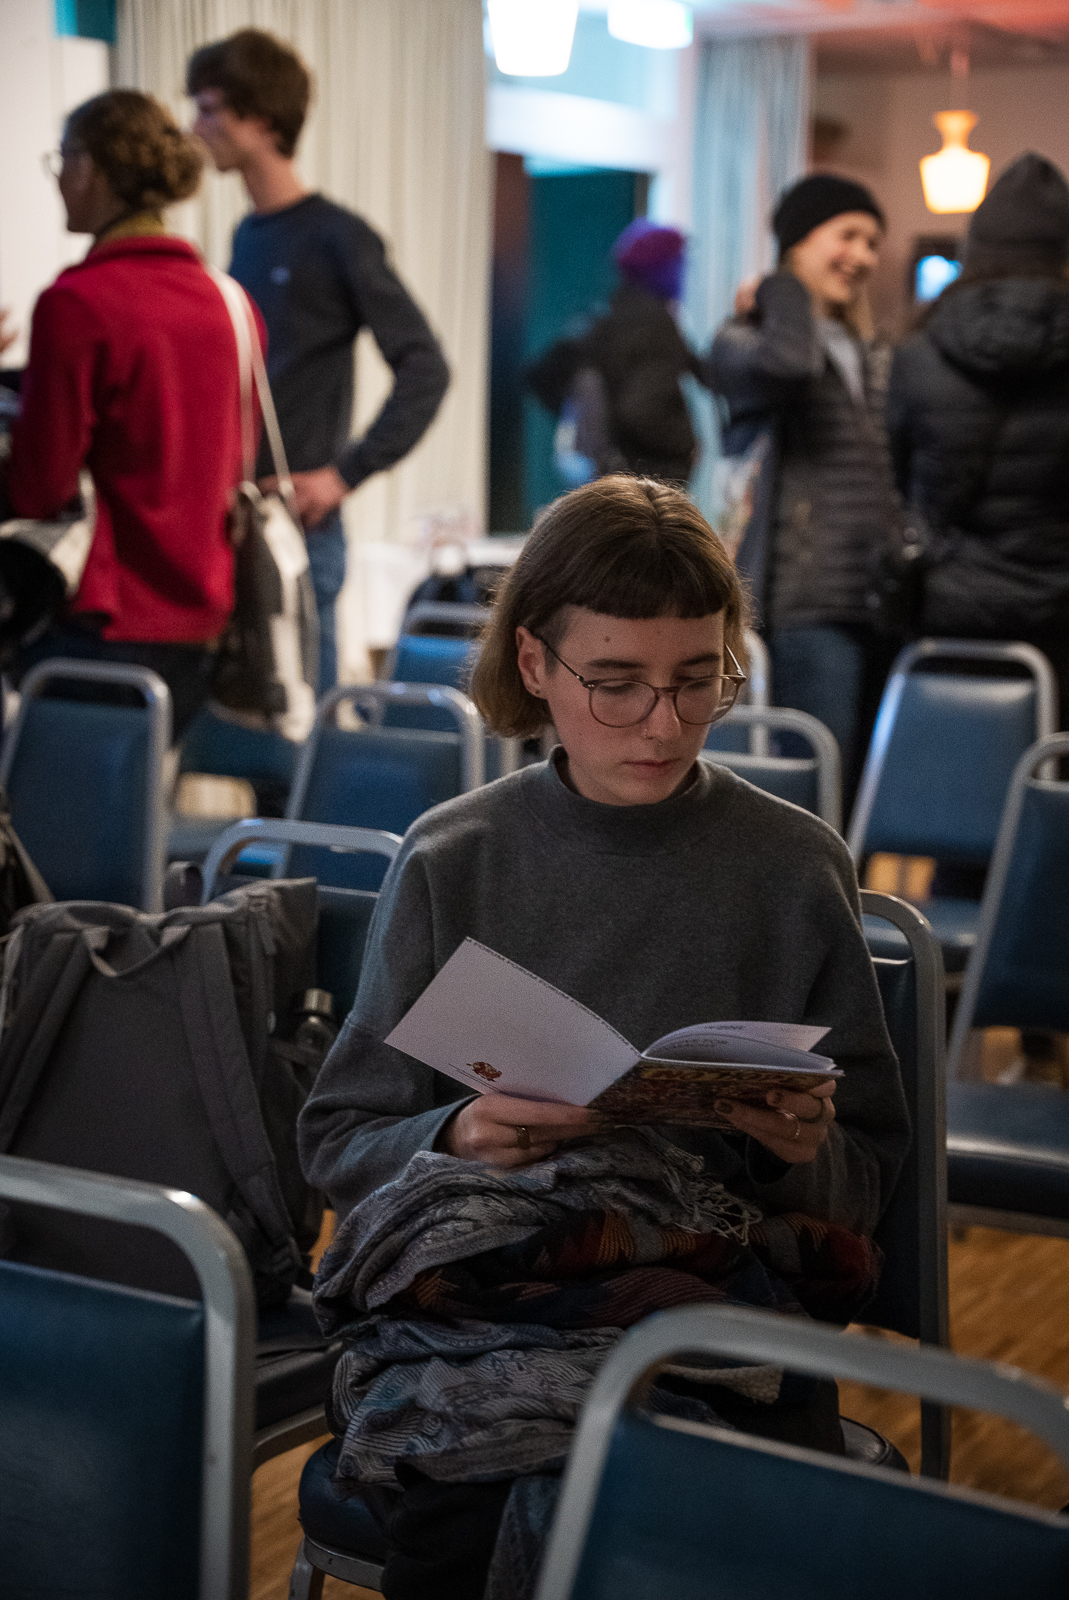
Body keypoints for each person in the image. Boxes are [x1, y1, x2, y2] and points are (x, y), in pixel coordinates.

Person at [298, 475, 909, 1599]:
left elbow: (865, 1182)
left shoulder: (792, 867)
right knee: (495, 1477)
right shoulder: (454, 857)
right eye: (617, 684)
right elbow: (341, 1139)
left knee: (639, 1486)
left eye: (698, 680)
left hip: (717, 1319)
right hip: (487, 1307)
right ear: (535, 664)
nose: (664, 724)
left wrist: (798, 1151)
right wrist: (457, 1135)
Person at [187, 28, 451, 691]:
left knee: (308, 737)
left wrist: (343, 475)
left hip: (301, 532)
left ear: (261, 120)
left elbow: (425, 366)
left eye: (210, 109)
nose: (196, 127)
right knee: (248, 728)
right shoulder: (247, 235)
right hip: (241, 524)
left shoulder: (339, 236)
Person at [2, 90, 251, 738]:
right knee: (135, 802)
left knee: (49, 805)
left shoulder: (76, 303)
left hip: (101, 622)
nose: (59, 177)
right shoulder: (230, 303)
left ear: (90, 167)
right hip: (204, 625)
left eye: (63, 159)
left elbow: (39, 487)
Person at [705, 174, 902, 805]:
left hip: (879, 602)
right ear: (797, 241)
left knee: (865, 797)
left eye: (872, 243)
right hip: (805, 605)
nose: (863, 257)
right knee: (814, 795)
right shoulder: (741, 340)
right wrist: (780, 287)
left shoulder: (870, 349)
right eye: (848, 236)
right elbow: (788, 365)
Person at [887, 151, 1069, 719]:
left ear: (975, 250)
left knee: (949, 760)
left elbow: (899, 478)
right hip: (1059, 612)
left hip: (950, 606)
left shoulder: (918, 353)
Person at [527, 218, 703, 486]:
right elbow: (640, 410)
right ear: (662, 268)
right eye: (679, 263)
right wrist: (682, 447)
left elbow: (539, 375)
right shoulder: (656, 325)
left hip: (611, 478)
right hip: (649, 480)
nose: (684, 273)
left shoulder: (605, 320)